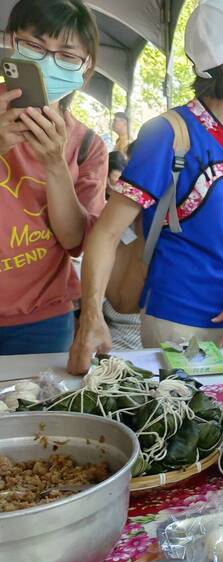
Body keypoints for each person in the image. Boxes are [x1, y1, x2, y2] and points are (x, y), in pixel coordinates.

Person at [67, 0, 223, 375]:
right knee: (183, 427)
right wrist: (91, 317)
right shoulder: (168, 133)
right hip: (178, 323)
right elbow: (107, 232)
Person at [0, 0, 107, 355]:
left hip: (41, 320)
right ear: (10, 42)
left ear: (85, 68)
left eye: (66, 55)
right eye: (34, 46)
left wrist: (55, 164)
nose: (48, 62)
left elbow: (75, 240)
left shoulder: (87, 145)